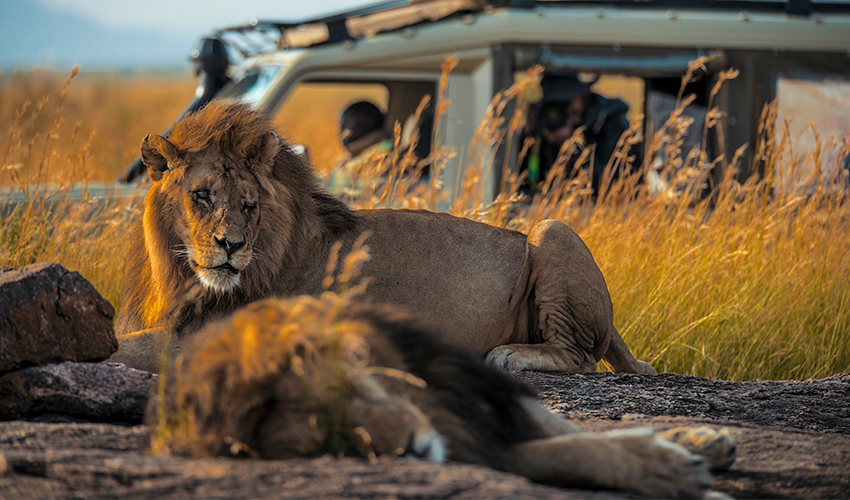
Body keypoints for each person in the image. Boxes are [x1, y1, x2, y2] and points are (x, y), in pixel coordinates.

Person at [519, 74, 640, 197]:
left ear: (582, 96)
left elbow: (615, 185)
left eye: (567, 101)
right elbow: (527, 182)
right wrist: (528, 137)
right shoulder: (547, 125)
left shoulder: (611, 122)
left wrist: (572, 147)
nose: (564, 110)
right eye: (556, 104)